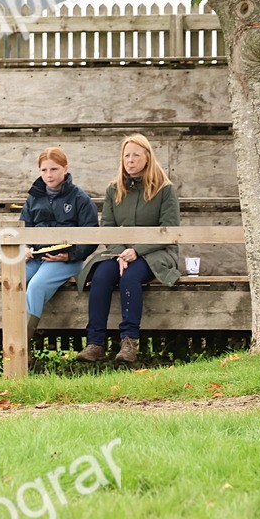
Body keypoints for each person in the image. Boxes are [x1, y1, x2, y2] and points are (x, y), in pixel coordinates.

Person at [75, 134, 181, 363]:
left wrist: (137, 251)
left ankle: (129, 342)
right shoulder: (114, 189)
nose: (130, 160)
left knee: (130, 278)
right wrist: (121, 251)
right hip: (118, 251)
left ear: (147, 158)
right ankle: (95, 343)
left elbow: (169, 230)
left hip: (155, 252)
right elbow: (108, 227)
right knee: (102, 276)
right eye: (126, 156)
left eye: (136, 155)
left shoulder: (164, 189)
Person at [20, 147, 99, 339]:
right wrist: (25, 249)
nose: (49, 175)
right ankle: (10, 335)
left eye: (54, 169)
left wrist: (70, 255)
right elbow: (22, 229)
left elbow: (92, 236)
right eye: (44, 170)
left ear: (65, 168)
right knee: (15, 279)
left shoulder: (80, 198)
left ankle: (22, 343)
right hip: (37, 258)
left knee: (36, 286)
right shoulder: (33, 198)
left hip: (65, 260)